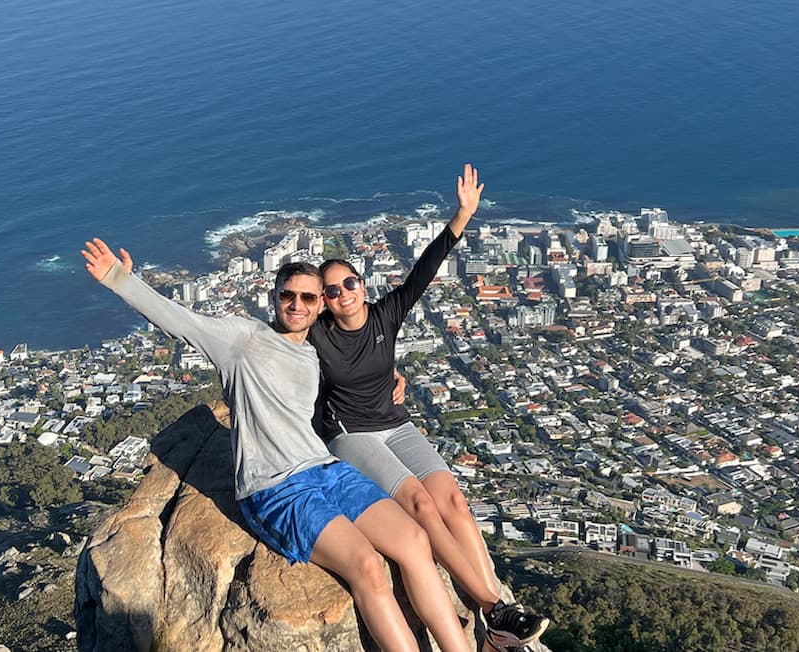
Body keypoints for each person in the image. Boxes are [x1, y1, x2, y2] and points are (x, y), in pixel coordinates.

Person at [81, 238, 471, 651]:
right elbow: (181, 321)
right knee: (368, 567)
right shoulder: (243, 341)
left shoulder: (314, 354)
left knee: (414, 541)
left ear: (322, 304)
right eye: (288, 295)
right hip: (276, 488)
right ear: (274, 297)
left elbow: (353, 377)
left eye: (308, 297)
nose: (297, 304)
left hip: (328, 470)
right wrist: (120, 280)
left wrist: (392, 379)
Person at [309, 164, 549, 651]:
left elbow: (425, 268)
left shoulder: (386, 315)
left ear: (362, 284)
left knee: (454, 502)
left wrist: (462, 216)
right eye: (330, 291)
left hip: (396, 425)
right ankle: (492, 608)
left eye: (348, 283)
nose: (343, 294)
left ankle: (497, 628)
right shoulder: (315, 337)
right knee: (420, 504)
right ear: (323, 303)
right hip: (351, 436)